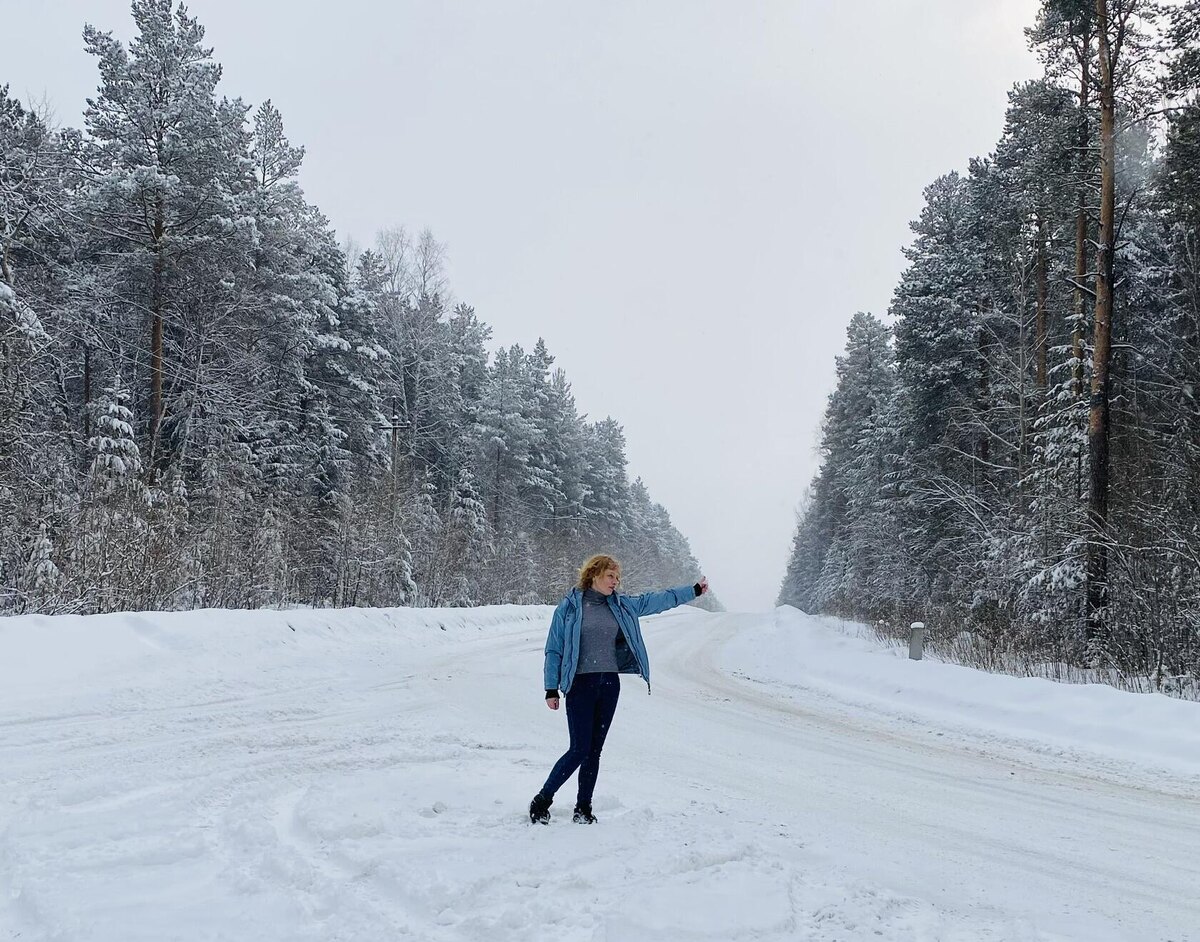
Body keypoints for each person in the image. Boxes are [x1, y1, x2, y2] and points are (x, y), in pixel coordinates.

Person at [529, 553, 709, 825]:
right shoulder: (569, 607)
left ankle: (583, 808)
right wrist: (551, 688)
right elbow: (554, 649)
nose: (616, 581)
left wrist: (693, 590)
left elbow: (657, 600)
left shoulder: (622, 605)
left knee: (594, 750)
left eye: (617, 577)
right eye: (610, 576)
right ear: (594, 575)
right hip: (580, 685)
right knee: (578, 748)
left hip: (609, 684)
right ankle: (543, 799)